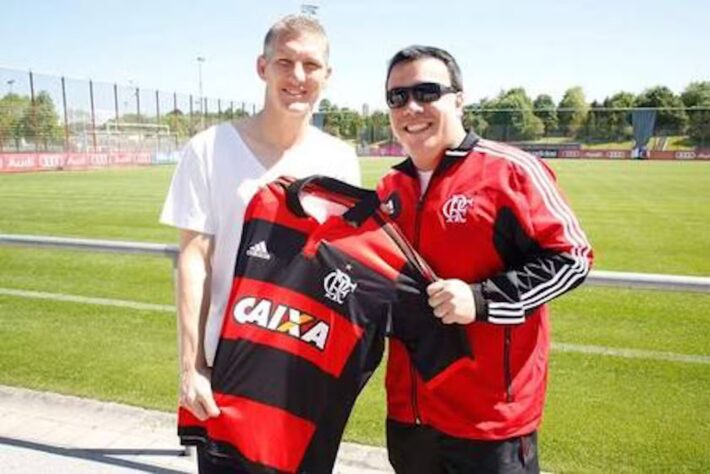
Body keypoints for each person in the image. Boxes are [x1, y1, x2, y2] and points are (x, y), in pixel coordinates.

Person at [377, 45, 593, 473]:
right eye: (397, 97)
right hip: (409, 417)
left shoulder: (510, 171)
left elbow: (572, 258)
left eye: (427, 91)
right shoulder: (388, 188)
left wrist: (480, 300)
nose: (412, 107)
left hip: (490, 425)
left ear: (458, 99)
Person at [159, 15, 360, 472]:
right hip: (230, 362)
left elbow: (335, 266)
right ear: (261, 67)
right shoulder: (209, 149)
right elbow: (194, 262)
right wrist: (191, 368)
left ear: (328, 75)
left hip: (302, 361)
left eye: (311, 65)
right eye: (285, 62)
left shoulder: (341, 160)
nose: (298, 77)